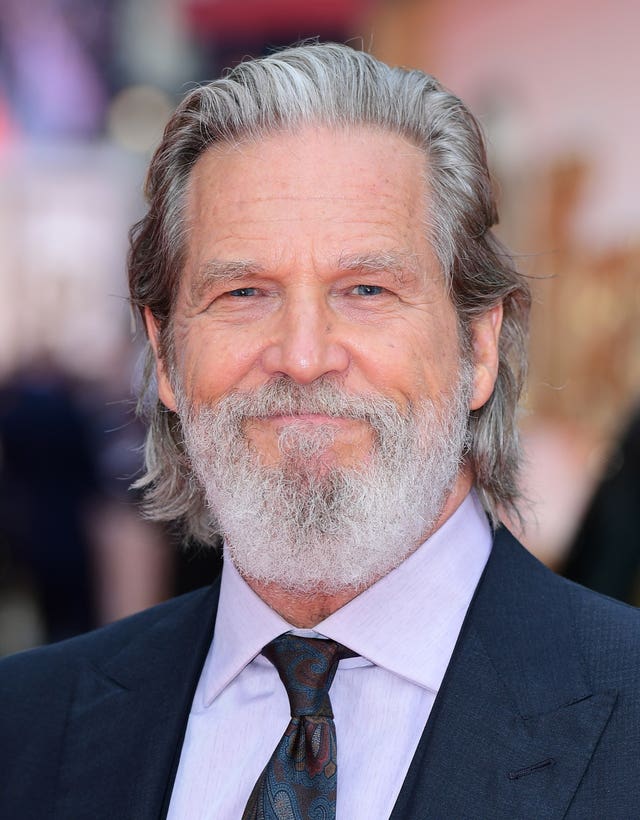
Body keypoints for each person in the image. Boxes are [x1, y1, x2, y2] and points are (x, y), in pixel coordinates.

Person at [1, 43, 639, 819]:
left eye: (366, 288)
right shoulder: (25, 729)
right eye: (244, 292)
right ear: (165, 352)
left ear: (478, 346)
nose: (302, 357)